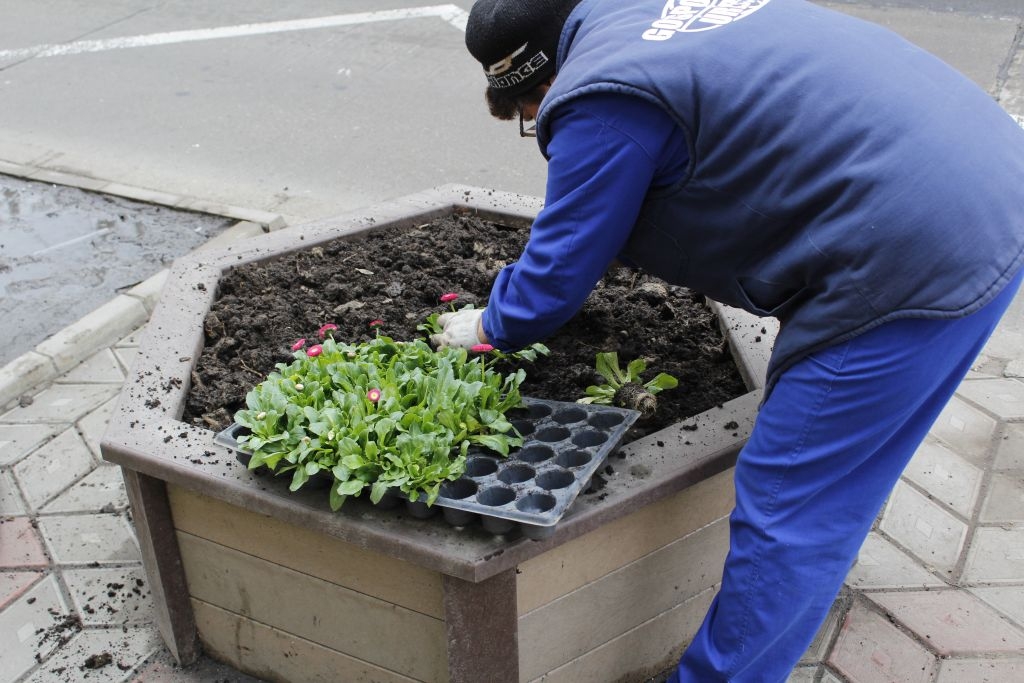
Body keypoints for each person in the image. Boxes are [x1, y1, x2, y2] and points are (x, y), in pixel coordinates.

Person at [431, 0, 1024, 680]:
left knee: (790, 503)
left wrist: (487, 325)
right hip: (980, 173)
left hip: (916, 247)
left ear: (539, 81)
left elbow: (553, 279)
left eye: (528, 113)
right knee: (843, 466)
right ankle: (818, 566)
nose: (540, 124)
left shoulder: (600, 99)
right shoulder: (640, 16)